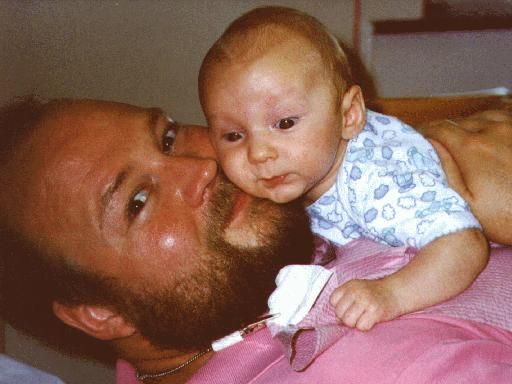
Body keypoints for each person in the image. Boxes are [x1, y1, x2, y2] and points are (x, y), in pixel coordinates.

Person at [1, 96, 512, 384]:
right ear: (99, 312)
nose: (200, 168)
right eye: (136, 202)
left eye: (169, 136)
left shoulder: (249, 271)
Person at [198, 6, 489, 331]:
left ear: (349, 115)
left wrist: (389, 295)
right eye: (233, 135)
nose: (258, 152)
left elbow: (463, 245)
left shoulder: (374, 181)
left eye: (284, 123)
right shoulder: (304, 168)